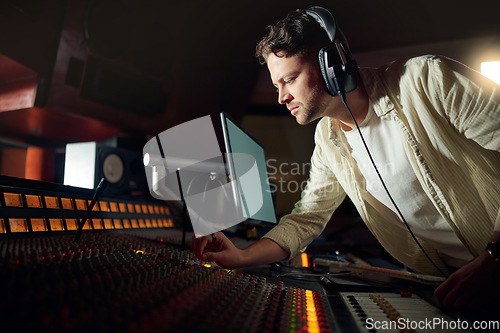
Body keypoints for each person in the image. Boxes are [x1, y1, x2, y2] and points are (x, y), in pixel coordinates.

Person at [191, 7, 500, 310]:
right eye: (276, 86)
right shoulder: (327, 140)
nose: (281, 97)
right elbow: (307, 218)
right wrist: (243, 255)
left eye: (290, 79)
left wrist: (493, 259)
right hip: (462, 290)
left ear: (332, 64)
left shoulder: (427, 79)